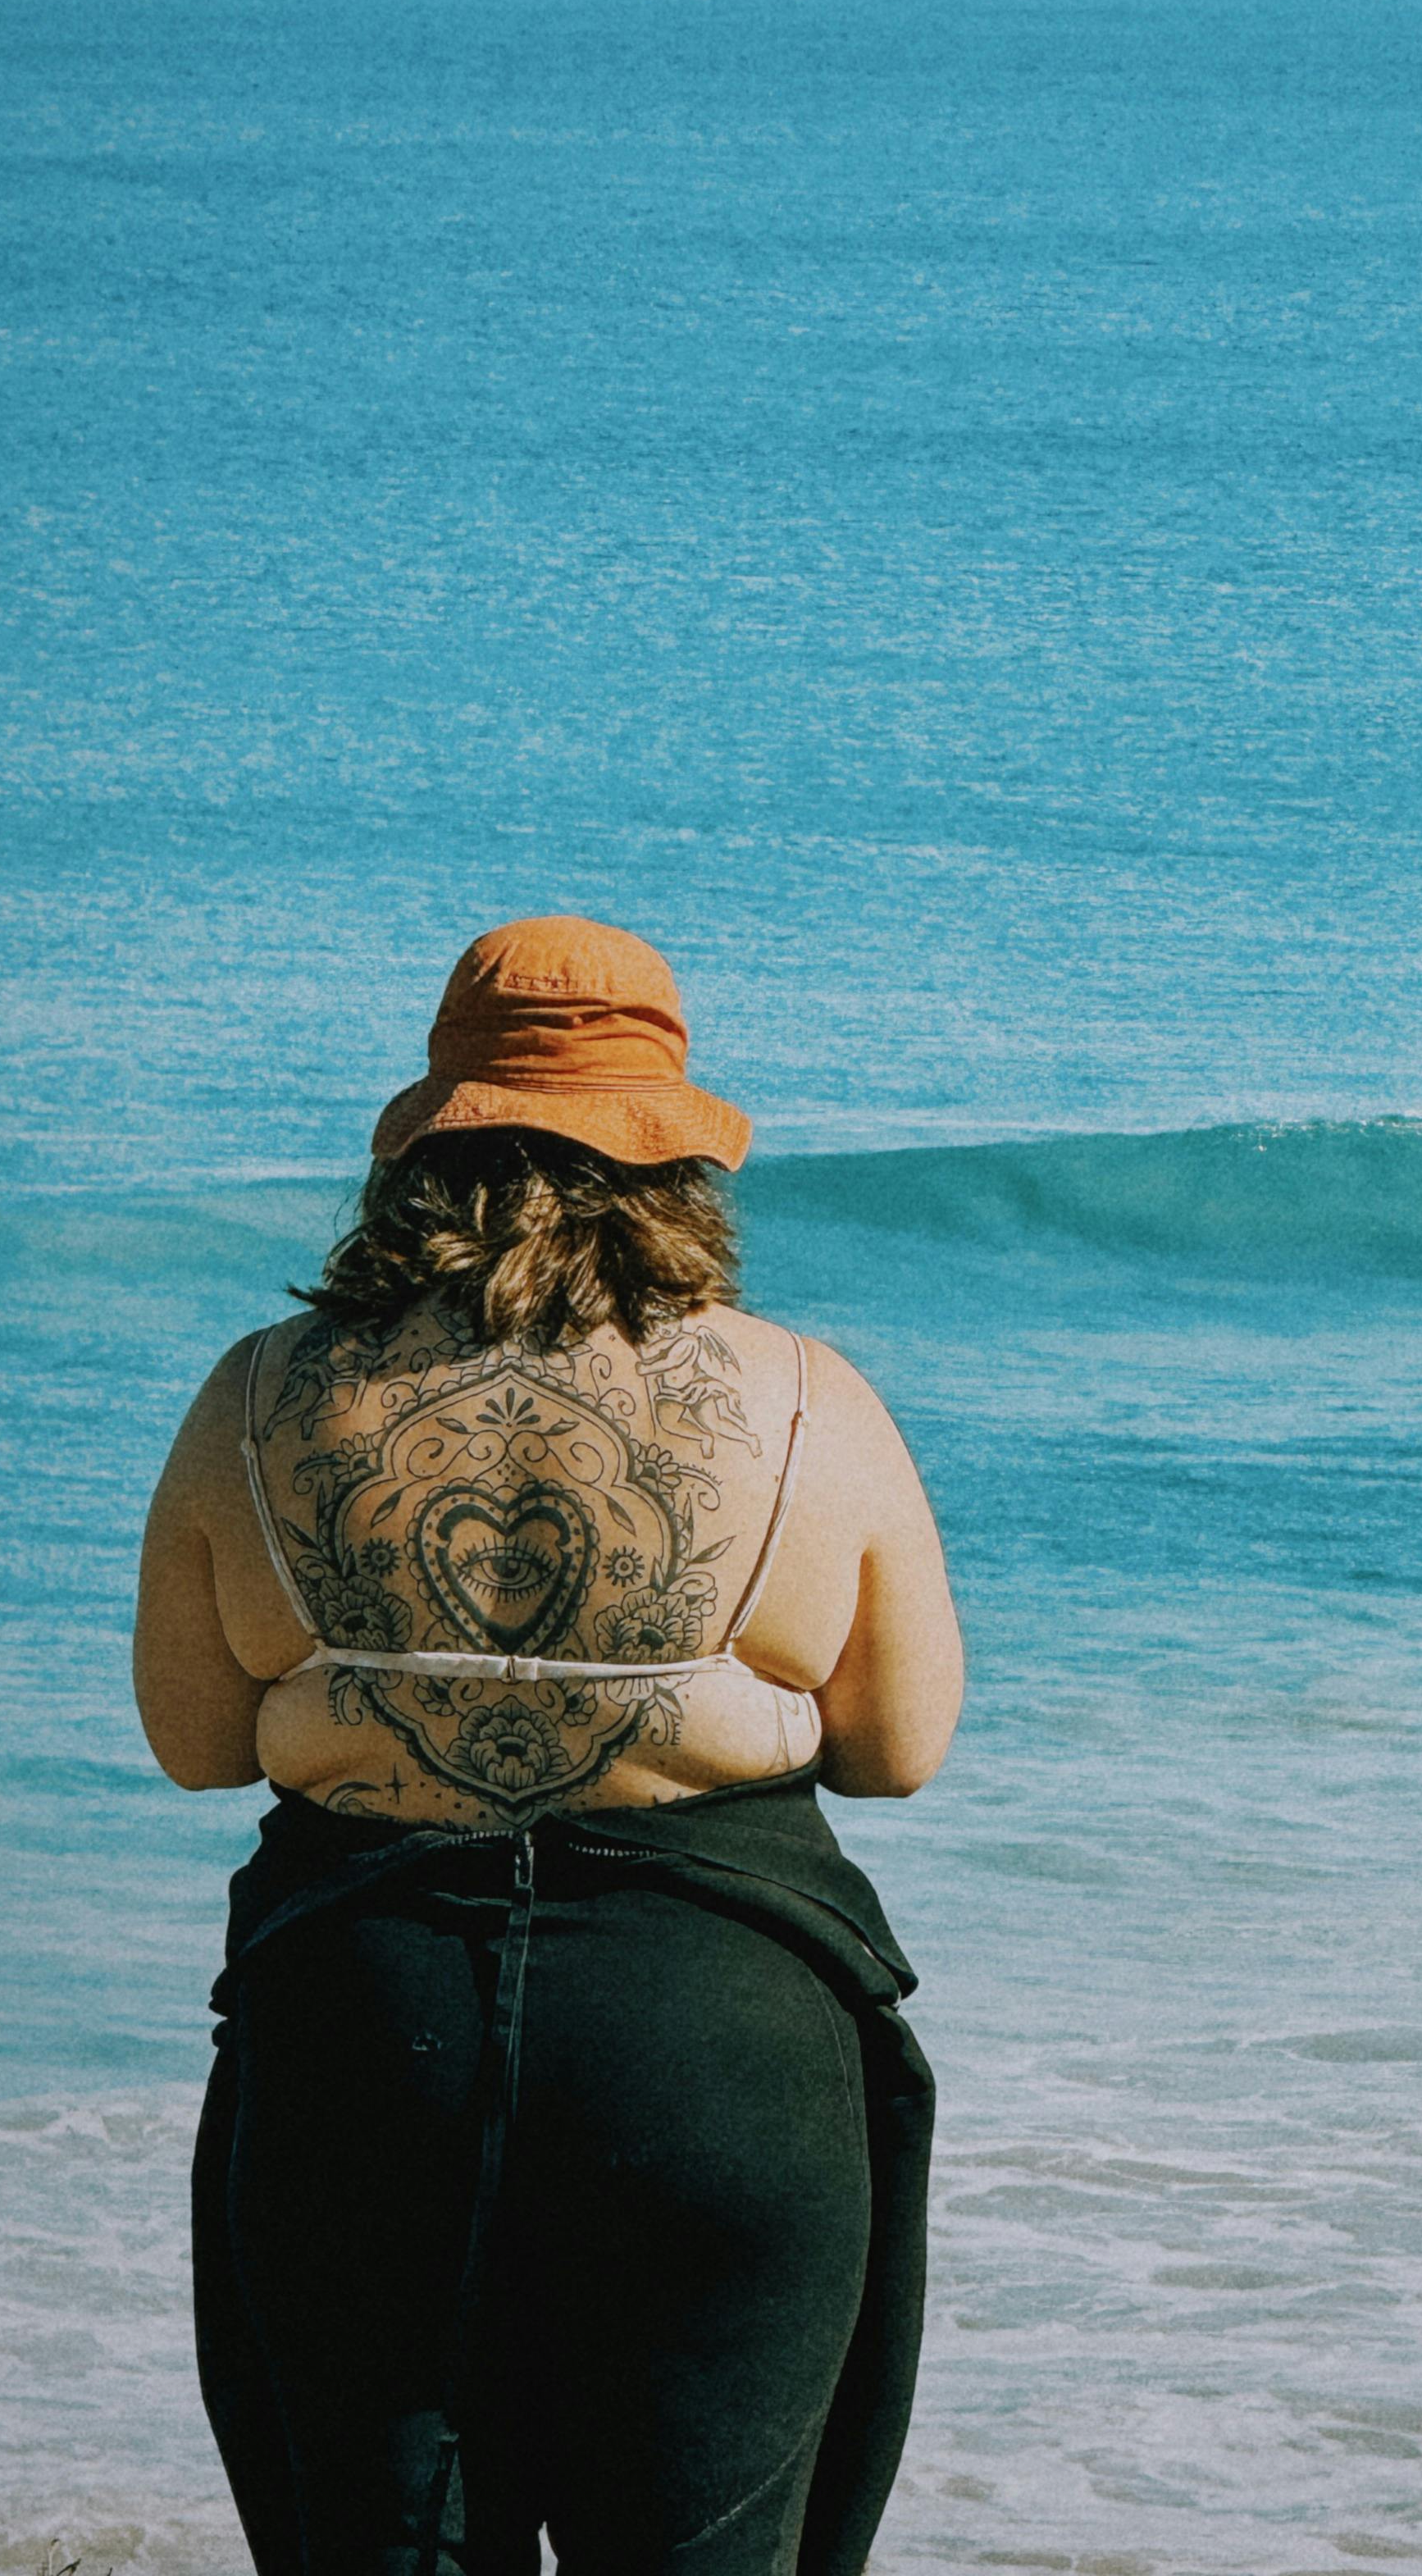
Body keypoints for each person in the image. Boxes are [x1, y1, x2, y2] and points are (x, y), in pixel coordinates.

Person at [133, 917, 964, 2576]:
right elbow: (898, 1747)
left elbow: (195, 1742)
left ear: (431, 1137)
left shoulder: (255, 1396)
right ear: (677, 1152)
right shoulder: (807, 1397)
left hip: (366, 2028)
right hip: (710, 2045)